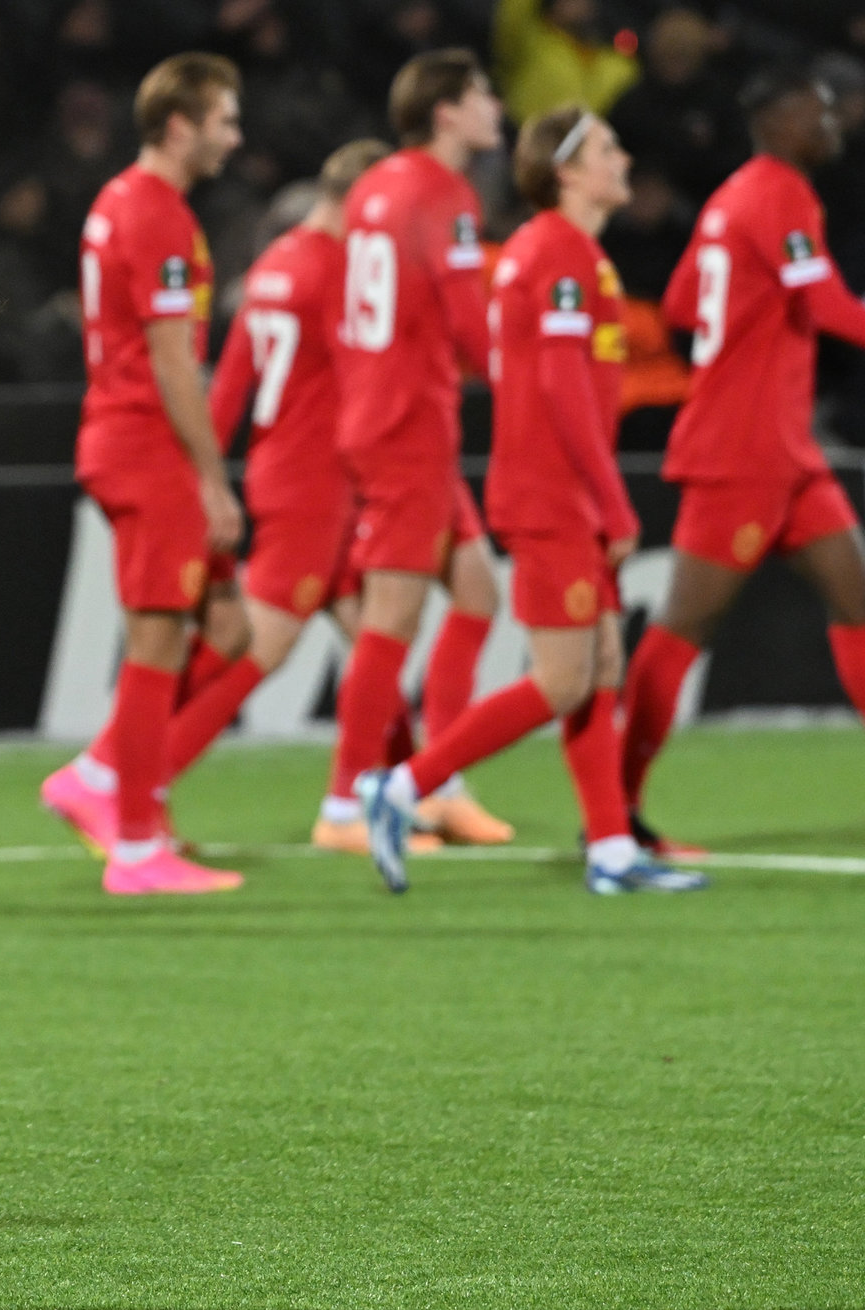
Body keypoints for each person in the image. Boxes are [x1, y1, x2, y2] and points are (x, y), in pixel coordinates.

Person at [621, 67, 865, 853]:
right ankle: (614, 815)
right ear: (775, 121)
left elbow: (679, 307)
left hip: (781, 449)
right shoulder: (776, 190)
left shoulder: (732, 198)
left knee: (859, 601)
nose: (833, 121)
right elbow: (827, 306)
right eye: (818, 110)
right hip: (741, 452)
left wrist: (744, 341)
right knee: (682, 629)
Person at [357, 108, 706, 897]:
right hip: (553, 495)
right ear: (568, 170)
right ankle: (406, 786)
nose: (624, 160)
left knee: (600, 667)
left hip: (558, 491)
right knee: (561, 679)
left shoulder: (567, 253)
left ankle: (611, 848)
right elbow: (559, 390)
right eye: (608, 149)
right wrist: (611, 503)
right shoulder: (557, 253)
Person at [37, 53, 249, 895]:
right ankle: (132, 848)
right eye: (224, 120)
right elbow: (172, 363)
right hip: (146, 442)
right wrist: (211, 475)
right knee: (158, 637)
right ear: (179, 124)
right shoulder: (155, 213)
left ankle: (102, 778)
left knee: (226, 630)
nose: (234, 138)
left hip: (131, 435)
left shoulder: (124, 202)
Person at [150, 139, 386, 816]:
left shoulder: (275, 263)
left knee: (374, 636)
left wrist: (206, 472)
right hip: (316, 482)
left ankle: (399, 788)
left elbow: (229, 384)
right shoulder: (341, 273)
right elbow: (366, 383)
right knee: (258, 648)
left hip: (277, 467)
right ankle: (136, 781)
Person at [324, 49, 515, 856]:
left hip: (387, 410)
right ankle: (342, 806)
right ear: (446, 111)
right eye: (481, 98)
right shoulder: (444, 192)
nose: (495, 109)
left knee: (475, 596)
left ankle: (435, 781)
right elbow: (470, 321)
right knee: (391, 619)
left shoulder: (373, 186)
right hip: (407, 424)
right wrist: (524, 383)